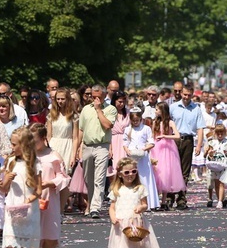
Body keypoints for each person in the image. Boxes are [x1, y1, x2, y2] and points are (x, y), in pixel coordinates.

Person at [0, 127, 42, 248]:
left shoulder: (35, 164)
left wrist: (29, 200)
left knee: (24, 246)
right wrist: (6, 180)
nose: (12, 147)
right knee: (10, 245)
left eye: (14, 144)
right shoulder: (10, 162)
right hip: (12, 205)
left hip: (28, 209)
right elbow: (3, 189)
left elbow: (38, 190)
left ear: (24, 145)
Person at [107, 158, 161, 248]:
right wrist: (113, 218)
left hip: (134, 223)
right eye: (127, 172)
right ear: (120, 174)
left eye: (133, 171)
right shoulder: (116, 189)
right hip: (120, 224)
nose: (130, 174)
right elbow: (112, 207)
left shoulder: (140, 188)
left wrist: (140, 208)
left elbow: (145, 204)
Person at [26, 124, 69, 248]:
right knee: (32, 235)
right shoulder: (27, 156)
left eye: (35, 140)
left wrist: (50, 183)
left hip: (49, 198)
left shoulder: (54, 155)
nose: (32, 143)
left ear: (43, 139)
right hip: (31, 198)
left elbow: (63, 177)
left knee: (50, 237)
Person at [77, 84, 117, 219]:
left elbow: (107, 125)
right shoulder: (86, 110)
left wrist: (99, 109)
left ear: (104, 96)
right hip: (87, 146)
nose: (95, 100)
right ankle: (90, 204)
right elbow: (81, 130)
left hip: (102, 146)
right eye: (93, 97)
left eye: (98, 97)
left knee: (99, 178)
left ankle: (95, 207)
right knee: (88, 178)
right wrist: (77, 147)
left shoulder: (111, 109)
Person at [169, 83, 205, 210]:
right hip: (174, 140)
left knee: (185, 171)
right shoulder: (173, 107)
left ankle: (181, 199)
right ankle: (169, 197)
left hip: (188, 140)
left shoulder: (196, 109)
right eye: (184, 94)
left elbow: (200, 128)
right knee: (172, 169)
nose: (186, 97)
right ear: (181, 93)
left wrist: (199, 145)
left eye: (189, 95)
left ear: (192, 95)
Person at [122, 106, 160, 211]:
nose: (135, 123)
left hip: (143, 157)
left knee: (144, 178)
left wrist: (144, 149)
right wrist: (127, 150)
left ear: (141, 119)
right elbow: (125, 142)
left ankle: (148, 202)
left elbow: (151, 142)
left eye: (137, 121)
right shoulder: (128, 129)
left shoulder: (146, 128)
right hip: (132, 156)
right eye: (133, 121)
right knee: (132, 176)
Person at [150, 102, 186, 209]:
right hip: (156, 147)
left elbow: (177, 135)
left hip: (167, 148)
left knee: (166, 173)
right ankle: (155, 200)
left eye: (157, 109)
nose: (155, 111)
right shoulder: (155, 122)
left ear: (163, 111)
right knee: (157, 172)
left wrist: (165, 136)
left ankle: (164, 201)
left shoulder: (170, 122)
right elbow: (152, 135)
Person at [47, 87, 79, 174]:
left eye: (62, 99)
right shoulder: (51, 115)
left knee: (65, 174)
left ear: (67, 99)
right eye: (58, 99)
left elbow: (75, 138)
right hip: (54, 146)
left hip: (67, 147)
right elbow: (49, 136)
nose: (60, 101)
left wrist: (73, 156)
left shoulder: (73, 116)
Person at [206, 124, 227, 208]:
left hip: (223, 164)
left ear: (224, 133)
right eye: (218, 134)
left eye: (222, 133)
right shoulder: (212, 142)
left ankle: (220, 201)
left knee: (221, 183)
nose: (220, 135)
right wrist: (210, 154)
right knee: (216, 183)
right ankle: (220, 198)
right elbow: (208, 154)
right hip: (214, 164)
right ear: (215, 134)